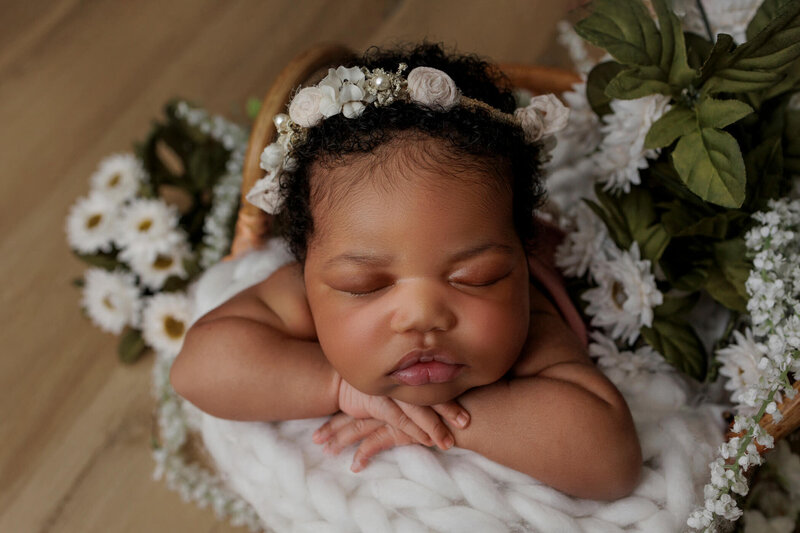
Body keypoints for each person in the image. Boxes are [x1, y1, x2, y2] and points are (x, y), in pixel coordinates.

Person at [170, 43, 642, 501]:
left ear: (521, 255)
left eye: (474, 277)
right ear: (306, 265)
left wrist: (438, 417)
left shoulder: (529, 317)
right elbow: (196, 371)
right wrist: (337, 386)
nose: (421, 316)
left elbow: (612, 463)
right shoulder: (304, 290)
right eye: (365, 286)